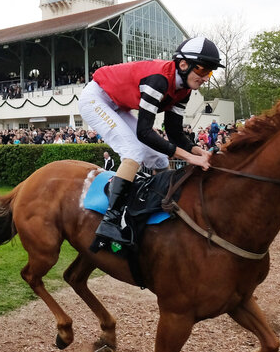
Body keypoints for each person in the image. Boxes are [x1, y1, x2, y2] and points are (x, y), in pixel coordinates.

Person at [78, 36, 220, 251]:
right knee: (133, 150)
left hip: (117, 105)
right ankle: (111, 221)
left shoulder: (184, 90)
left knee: (159, 157)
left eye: (210, 72)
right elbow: (144, 133)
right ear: (183, 64)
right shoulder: (159, 80)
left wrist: (199, 151)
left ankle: (153, 207)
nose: (206, 78)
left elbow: (174, 133)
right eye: (202, 71)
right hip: (95, 98)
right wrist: (189, 157)